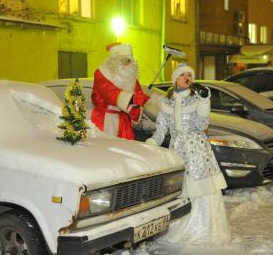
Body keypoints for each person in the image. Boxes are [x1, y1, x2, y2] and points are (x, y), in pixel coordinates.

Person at [146, 62, 230, 245]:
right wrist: (150, 145)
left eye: (190, 75)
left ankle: (203, 232)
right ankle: (178, 230)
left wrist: (204, 102)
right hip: (177, 152)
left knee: (201, 191)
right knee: (179, 190)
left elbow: (202, 126)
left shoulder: (196, 99)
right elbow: (160, 132)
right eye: (183, 74)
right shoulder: (166, 103)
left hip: (197, 152)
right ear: (175, 78)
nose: (187, 78)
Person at [91, 43, 150, 140]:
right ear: (114, 61)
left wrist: (137, 108)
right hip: (105, 120)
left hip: (124, 123)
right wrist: (132, 101)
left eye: (128, 60)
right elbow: (110, 93)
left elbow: (138, 95)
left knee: (125, 151)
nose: (126, 64)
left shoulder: (131, 78)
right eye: (123, 60)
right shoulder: (102, 74)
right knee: (105, 149)